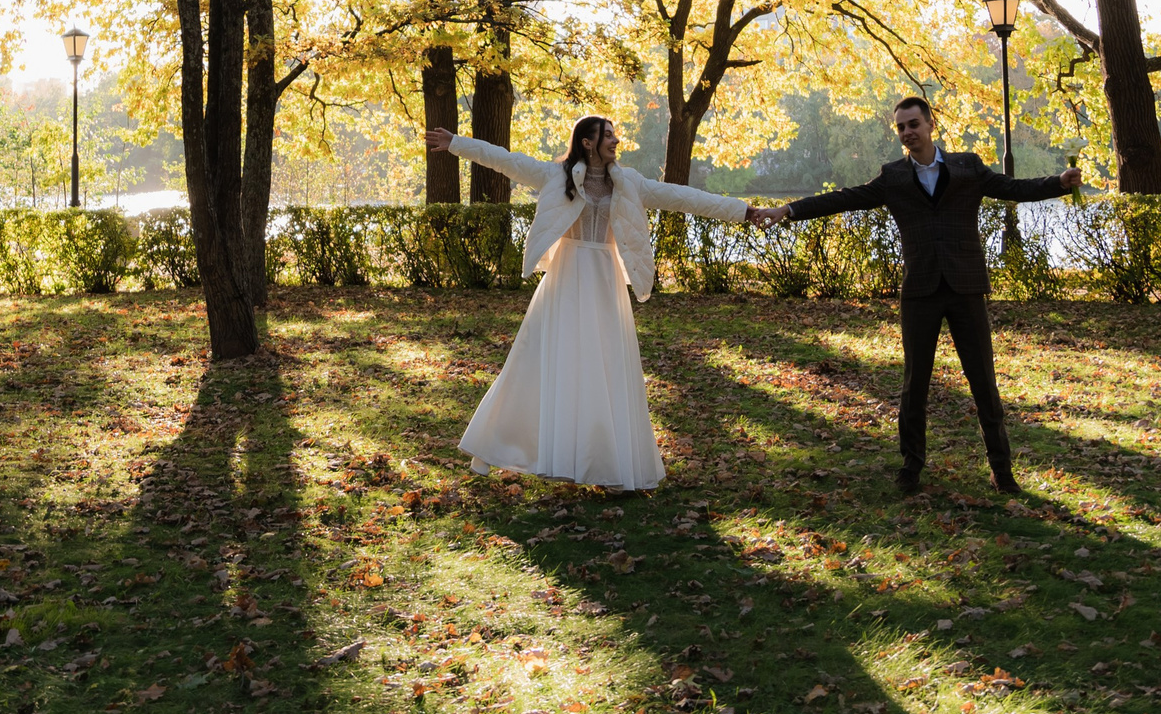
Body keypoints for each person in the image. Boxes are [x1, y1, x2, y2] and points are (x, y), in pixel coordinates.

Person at [748, 95, 1080, 495]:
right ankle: (911, 467)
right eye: (901, 127)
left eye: (913, 124)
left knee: (983, 382)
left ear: (930, 124)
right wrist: (787, 210)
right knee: (914, 384)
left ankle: (1001, 469)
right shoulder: (893, 177)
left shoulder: (967, 166)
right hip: (920, 291)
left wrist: (1058, 184)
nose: (907, 133)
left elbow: (1012, 188)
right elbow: (843, 198)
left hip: (966, 289)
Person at [425, 117, 753, 491]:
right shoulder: (555, 175)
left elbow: (682, 197)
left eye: (613, 134)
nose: (615, 140)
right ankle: (491, 447)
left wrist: (743, 212)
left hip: (605, 280)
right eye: (608, 135)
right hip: (565, 277)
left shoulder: (628, 183)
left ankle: (606, 464)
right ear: (586, 142)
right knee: (534, 362)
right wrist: (455, 143)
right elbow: (505, 160)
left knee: (605, 365)